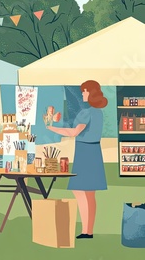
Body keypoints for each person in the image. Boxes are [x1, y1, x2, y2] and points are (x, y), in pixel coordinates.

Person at [46, 80, 108, 239]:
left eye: (84, 91)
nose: (82, 94)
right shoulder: (98, 112)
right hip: (94, 151)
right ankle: (88, 230)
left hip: (85, 153)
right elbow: (76, 128)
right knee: (89, 194)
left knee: (80, 191)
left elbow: (73, 132)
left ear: (90, 92)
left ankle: (86, 230)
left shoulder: (86, 112)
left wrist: (51, 127)